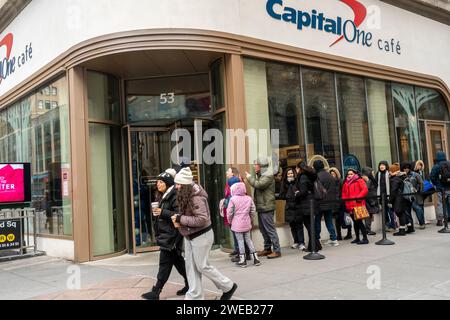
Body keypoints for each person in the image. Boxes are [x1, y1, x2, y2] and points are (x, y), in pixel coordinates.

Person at [171, 167, 237, 300]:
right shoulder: (186, 195)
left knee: (202, 266)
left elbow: (202, 219)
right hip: (190, 235)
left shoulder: (196, 198)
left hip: (202, 235)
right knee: (191, 267)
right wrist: (180, 218)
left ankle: (228, 286)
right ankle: (194, 296)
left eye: (178, 184)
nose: (176, 186)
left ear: (185, 185)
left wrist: (180, 219)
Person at [141, 171, 189, 300]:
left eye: (161, 182)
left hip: (172, 235)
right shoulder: (163, 195)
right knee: (178, 262)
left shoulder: (174, 195)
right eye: (157, 182)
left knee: (164, 263)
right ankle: (190, 283)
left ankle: (156, 291)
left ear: (168, 183)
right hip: (166, 234)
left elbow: (177, 214)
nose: (158, 184)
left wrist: (162, 212)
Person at [245, 156, 281, 259]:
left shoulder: (267, 175)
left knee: (270, 229)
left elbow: (259, 185)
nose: (254, 166)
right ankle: (267, 249)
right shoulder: (262, 174)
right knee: (263, 229)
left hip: (267, 206)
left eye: (256, 164)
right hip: (262, 206)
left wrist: (249, 178)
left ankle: (277, 250)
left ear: (261, 166)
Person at [226, 182, 261, 267]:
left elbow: (229, 212)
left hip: (237, 224)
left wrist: (230, 221)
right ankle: (256, 259)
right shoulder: (248, 198)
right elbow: (253, 210)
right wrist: (250, 219)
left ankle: (243, 260)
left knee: (240, 241)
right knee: (249, 240)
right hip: (247, 223)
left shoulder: (233, 199)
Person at [221, 167, 250, 263]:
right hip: (239, 217)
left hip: (237, 217)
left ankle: (241, 254)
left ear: (233, 173)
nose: (226, 172)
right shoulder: (231, 182)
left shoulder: (234, 184)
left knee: (239, 237)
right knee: (240, 237)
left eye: (228, 171)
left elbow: (231, 202)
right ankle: (242, 252)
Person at [296, 162, 322, 252]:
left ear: (299, 168)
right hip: (312, 202)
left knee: (309, 226)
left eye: (296, 168)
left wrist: (297, 193)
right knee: (311, 225)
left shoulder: (303, 176)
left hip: (306, 204)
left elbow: (303, 191)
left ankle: (313, 247)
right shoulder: (310, 175)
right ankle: (317, 245)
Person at [313, 160, 339, 247]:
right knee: (329, 221)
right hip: (330, 202)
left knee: (317, 221)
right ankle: (334, 238)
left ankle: (317, 239)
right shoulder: (329, 175)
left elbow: (316, 191)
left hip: (320, 202)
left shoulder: (317, 176)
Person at [279, 167, 306, 251]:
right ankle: (296, 241)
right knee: (292, 226)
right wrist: (288, 188)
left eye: (291, 173)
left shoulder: (297, 182)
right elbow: (282, 195)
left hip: (297, 206)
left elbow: (300, 194)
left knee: (299, 226)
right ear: (286, 175)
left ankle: (301, 242)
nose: (290, 175)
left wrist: (292, 186)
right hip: (289, 208)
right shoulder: (284, 184)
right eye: (288, 174)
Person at [342, 168, 369, 245]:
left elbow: (365, 190)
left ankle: (365, 238)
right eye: (348, 174)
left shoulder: (359, 180)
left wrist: (358, 198)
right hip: (349, 206)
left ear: (355, 174)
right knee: (355, 223)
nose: (349, 175)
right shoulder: (345, 183)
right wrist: (345, 201)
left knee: (359, 222)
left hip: (358, 205)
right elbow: (343, 194)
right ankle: (357, 238)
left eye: (351, 174)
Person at [329, 167, 352, 240]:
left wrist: (342, 200)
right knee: (337, 220)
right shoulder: (330, 183)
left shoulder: (341, 181)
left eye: (334, 174)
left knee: (346, 218)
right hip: (335, 204)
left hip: (342, 203)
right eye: (331, 174)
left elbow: (344, 192)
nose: (332, 175)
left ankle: (349, 233)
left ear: (337, 174)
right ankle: (339, 235)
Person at [430, 151, 450, 226]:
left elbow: (432, 176)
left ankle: (440, 220)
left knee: (440, 204)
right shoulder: (449, 164)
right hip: (449, 188)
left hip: (441, 188)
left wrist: (436, 184)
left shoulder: (436, 166)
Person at [403, 161, 424, 230]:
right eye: (404, 168)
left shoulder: (415, 175)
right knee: (407, 211)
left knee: (418, 209)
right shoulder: (402, 175)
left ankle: (421, 223)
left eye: (407, 168)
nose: (406, 169)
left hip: (414, 195)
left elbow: (421, 183)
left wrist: (417, 190)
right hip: (405, 196)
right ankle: (410, 226)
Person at [389, 163, 410, 236]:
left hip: (398, 198)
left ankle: (402, 230)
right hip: (402, 197)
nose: (389, 172)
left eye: (390, 171)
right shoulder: (401, 177)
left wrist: (390, 200)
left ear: (393, 171)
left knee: (400, 213)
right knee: (402, 213)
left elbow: (393, 191)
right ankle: (407, 227)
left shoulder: (395, 179)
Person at [376, 161, 396, 231]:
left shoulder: (389, 173)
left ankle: (393, 226)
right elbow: (376, 184)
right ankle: (387, 225)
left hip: (389, 196)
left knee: (390, 211)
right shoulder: (378, 174)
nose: (381, 166)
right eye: (380, 165)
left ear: (386, 166)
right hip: (381, 196)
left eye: (383, 165)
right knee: (384, 212)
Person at [361, 167, 378, 236]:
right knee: (368, 215)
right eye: (372, 173)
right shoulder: (366, 180)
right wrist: (367, 180)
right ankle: (367, 230)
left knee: (369, 215)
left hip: (371, 200)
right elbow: (366, 190)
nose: (373, 174)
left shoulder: (371, 180)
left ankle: (368, 229)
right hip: (368, 200)